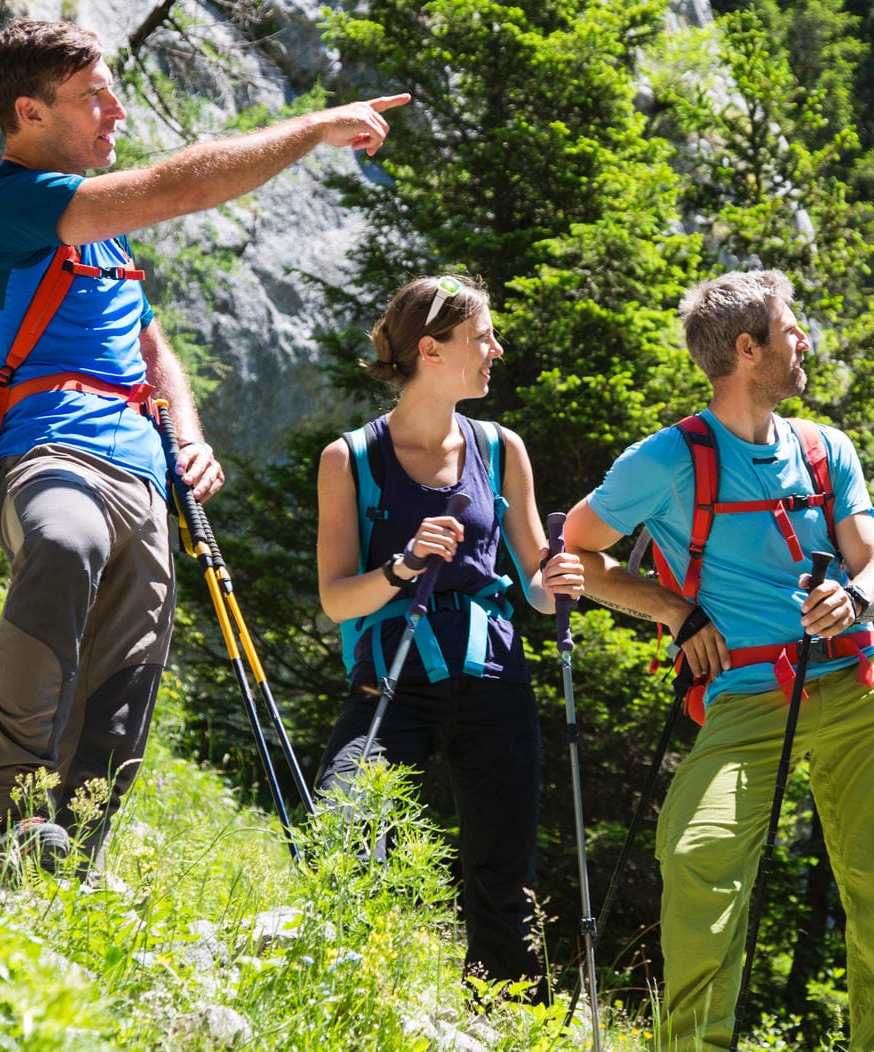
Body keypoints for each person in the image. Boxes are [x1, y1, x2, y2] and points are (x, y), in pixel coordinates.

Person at [0, 18, 409, 882]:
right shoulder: (11, 203)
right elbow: (180, 187)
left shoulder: (99, 236)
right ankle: (13, 814)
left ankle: (69, 865)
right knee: (64, 541)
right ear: (28, 111)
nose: (115, 110)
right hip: (50, 447)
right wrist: (314, 129)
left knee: (129, 680)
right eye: (93, 96)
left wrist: (191, 435)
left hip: (144, 469)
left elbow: (150, 344)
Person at [563, 270, 874, 1049]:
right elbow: (572, 555)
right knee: (698, 853)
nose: (804, 341)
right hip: (747, 698)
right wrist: (671, 608)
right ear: (745, 347)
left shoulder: (827, 449)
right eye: (789, 329)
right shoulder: (664, 461)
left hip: (859, 688)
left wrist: (856, 599)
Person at [313, 274, 585, 1002]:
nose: (496, 349)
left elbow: (531, 578)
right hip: (392, 674)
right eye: (482, 337)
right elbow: (339, 599)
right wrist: (401, 567)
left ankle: (508, 1017)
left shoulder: (501, 449)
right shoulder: (351, 459)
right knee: (347, 825)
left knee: (503, 867)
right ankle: (341, 991)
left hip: (493, 674)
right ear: (431, 350)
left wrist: (555, 580)